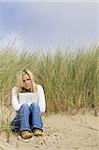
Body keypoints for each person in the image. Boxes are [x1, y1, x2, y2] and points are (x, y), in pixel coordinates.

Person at [11, 68, 46, 139]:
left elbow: (42, 108)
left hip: (33, 120)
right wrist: (27, 106)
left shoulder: (38, 88)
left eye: (28, 79)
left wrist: (33, 106)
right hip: (20, 121)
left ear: (31, 79)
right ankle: (24, 131)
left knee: (35, 105)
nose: (26, 83)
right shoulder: (15, 90)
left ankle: (37, 129)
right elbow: (16, 107)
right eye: (23, 81)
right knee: (25, 106)